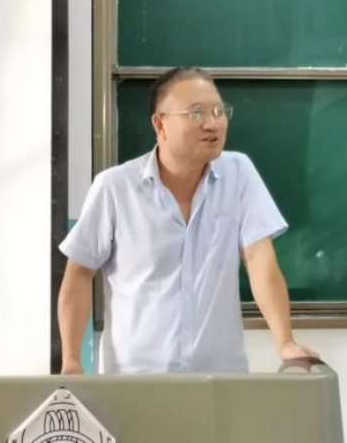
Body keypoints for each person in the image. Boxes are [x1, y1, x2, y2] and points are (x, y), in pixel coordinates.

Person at [58, 67, 317, 374]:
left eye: (219, 111)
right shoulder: (115, 187)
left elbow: (259, 258)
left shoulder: (239, 174)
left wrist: (285, 342)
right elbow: (80, 272)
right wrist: (71, 360)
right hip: (135, 379)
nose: (212, 123)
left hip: (219, 378)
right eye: (196, 112)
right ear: (160, 124)